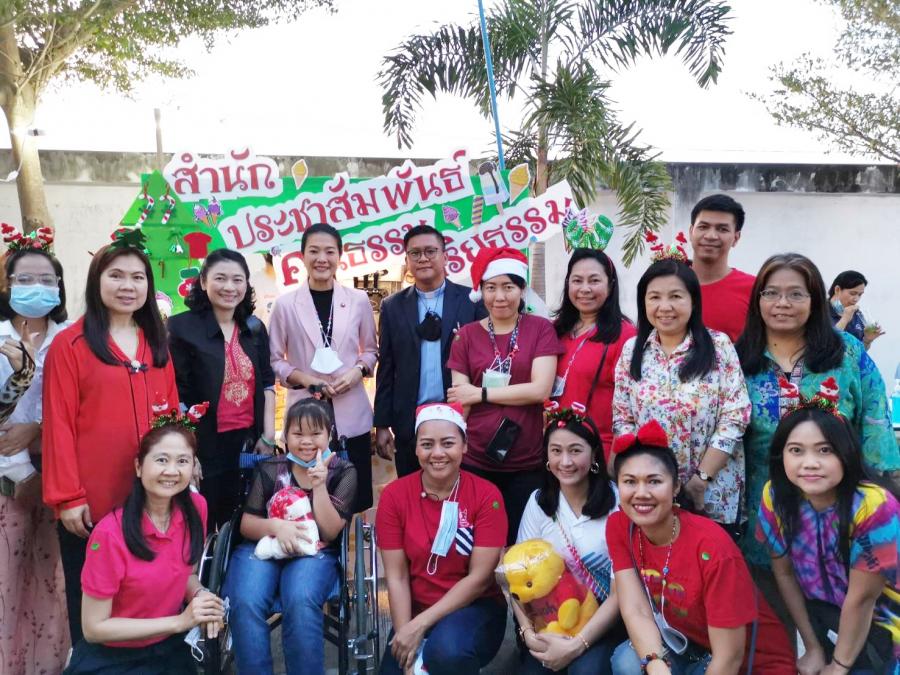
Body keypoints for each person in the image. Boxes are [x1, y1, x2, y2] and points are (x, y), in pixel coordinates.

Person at [42, 241, 180, 643]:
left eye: (137, 277)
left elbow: (172, 418)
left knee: (150, 594)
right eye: (116, 276)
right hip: (93, 502)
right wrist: (68, 497)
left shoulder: (156, 343)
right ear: (96, 281)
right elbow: (58, 425)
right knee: (93, 605)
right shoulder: (70, 345)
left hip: (153, 498)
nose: (127, 286)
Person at [735, 253, 899, 572]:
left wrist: (882, 492)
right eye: (771, 293)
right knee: (771, 595)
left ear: (814, 300)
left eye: (796, 294)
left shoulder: (847, 352)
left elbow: (876, 421)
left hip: (842, 518)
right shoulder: (738, 359)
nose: (783, 303)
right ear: (758, 301)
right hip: (762, 520)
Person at [606, 421, 796, 675]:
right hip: (690, 647)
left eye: (654, 481)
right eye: (630, 481)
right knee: (627, 662)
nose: (641, 493)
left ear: (675, 487)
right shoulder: (621, 526)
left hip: (749, 663)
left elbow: (729, 658)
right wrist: (656, 665)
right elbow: (636, 610)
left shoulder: (712, 547)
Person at [757, 390, 900, 675]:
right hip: (827, 621)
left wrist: (838, 666)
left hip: (885, 631)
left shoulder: (873, 507)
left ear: (846, 454)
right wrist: (812, 647)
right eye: (796, 450)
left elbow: (862, 599)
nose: (810, 462)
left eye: (825, 450)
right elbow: (784, 573)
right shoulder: (775, 497)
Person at [64, 421, 224, 674]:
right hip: (113, 656)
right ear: (139, 467)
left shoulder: (196, 508)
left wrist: (200, 595)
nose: (172, 471)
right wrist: (180, 621)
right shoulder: (109, 534)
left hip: (169, 649)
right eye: (161, 460)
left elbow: (186, 574)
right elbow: (93, 628)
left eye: (183, 461)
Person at [612, 256, 750, 530]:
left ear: (693, 301)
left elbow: (735, 416)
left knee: (710, 555)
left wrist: (701, 480)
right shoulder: (632, 350)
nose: (665, 307)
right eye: (654, 297)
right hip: (651, 495)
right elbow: (622, 417)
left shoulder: (718, 346)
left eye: (676, 296)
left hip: (712, 491)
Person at [224, 398, 357, 675]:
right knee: (245, 600)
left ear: (329, 434)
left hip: (315, 550)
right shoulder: (271, 468)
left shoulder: (343, 471)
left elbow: (330, 532)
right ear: (285, 436)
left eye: (315, 433)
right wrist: (277, 526)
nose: (306, 441)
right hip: (264, 543)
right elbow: (247, 524)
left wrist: (319, 486)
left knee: (300, 598)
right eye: (298, 433)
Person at [376, 402, 508, 675]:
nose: (437, 453)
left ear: (465, 445)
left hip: (475, 607)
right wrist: (405, 635)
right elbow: (397, 576)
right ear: (415, 449)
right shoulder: (394, 496)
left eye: (448, 443)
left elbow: (480, 578)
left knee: (446, 652)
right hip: (415, 608)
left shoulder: (487, 496)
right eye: (427, 444)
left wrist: (420, 624)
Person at [447, 246, 562, 543]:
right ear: (481, 291)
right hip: (475, 458)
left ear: (522, 290)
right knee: (477, 540)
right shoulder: (465, 336)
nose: (500, 296)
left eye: (508, 287)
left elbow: (540, 389)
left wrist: (481, 393)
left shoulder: (541, 329)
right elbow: (461, 400)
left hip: (527, 460)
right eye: (491, 288)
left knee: (521, 541)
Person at [269, 222, 377, 512]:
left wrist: (357, 372)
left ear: (340, 256)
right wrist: (308, 380)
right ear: (302, 256)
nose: (322, 259)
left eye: (329, 252)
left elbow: (370, 351)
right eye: (314, 251)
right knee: (305, 500)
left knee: (353, 498)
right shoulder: (285, 305)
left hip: (351, 414)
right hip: (304, 418)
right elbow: (275, 360)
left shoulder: (358, 300)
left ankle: (351, 540)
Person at [0, 240, 71, 675]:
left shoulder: (73, 338)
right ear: (7, 285)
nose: (37, 287)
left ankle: (51, 666)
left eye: (47, 279)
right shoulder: (0, 338)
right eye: (25, 279)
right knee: (7, 582)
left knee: (54, 581)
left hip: (60, 474)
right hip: (6, 478)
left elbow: (85, 406)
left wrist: (39, 428)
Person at [168, 249, 276, 528]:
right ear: (204, 281)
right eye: (220, 278)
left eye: (237, 280)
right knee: (200, 524)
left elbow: (267, 381)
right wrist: (186, 452)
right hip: (203, 445)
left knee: (243, 525)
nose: (230, 287)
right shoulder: (180, 328)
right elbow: (176, 393)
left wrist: (268, 436)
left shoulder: (254, 328)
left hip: (248, 444)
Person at [515, 405, 624, 674]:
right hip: (549, 618)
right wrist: (527, 632)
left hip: (602, 623)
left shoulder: (618, 503)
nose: (565, 462)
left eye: (575, 451)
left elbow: (621, 591)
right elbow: (517, 574)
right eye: (556, 451)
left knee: (586, 671)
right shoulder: (538, 502)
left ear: (594, 453)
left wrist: (577, 644)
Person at [375, 224, 483, 477]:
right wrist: (381, 424)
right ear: (407, 260)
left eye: (430, 251)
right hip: (410, 422)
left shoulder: (471, 301)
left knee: (460, 490)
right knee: (412, 491)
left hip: (460, 416)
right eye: (415, 253)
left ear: (445, 256)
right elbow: (386, 367)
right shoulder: (392, 306)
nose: (423, 258)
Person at [552, 248, 636, 460]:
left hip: (599, 451)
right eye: (577, 280)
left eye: (594, 280)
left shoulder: (625, 336)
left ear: (611, 285)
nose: (585, 289)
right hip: (555, 449)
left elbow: (630, 408)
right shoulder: (555, 330)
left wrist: (615, 459)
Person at [687, 194, 755, 343]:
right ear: (691, 232)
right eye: (703, 227)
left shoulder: (754, 289)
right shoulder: (668, 283)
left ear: (736, 238)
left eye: (722, 229)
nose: (711, 236)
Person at [828, 269, 885, 349]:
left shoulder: (857, 314)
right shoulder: (819, 313)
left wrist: (867, 340)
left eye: (860, 295)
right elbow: (826, 347)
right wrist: (844, 320)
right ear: (837, 290)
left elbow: (858, 352)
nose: (856, 299)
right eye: (852, 293)